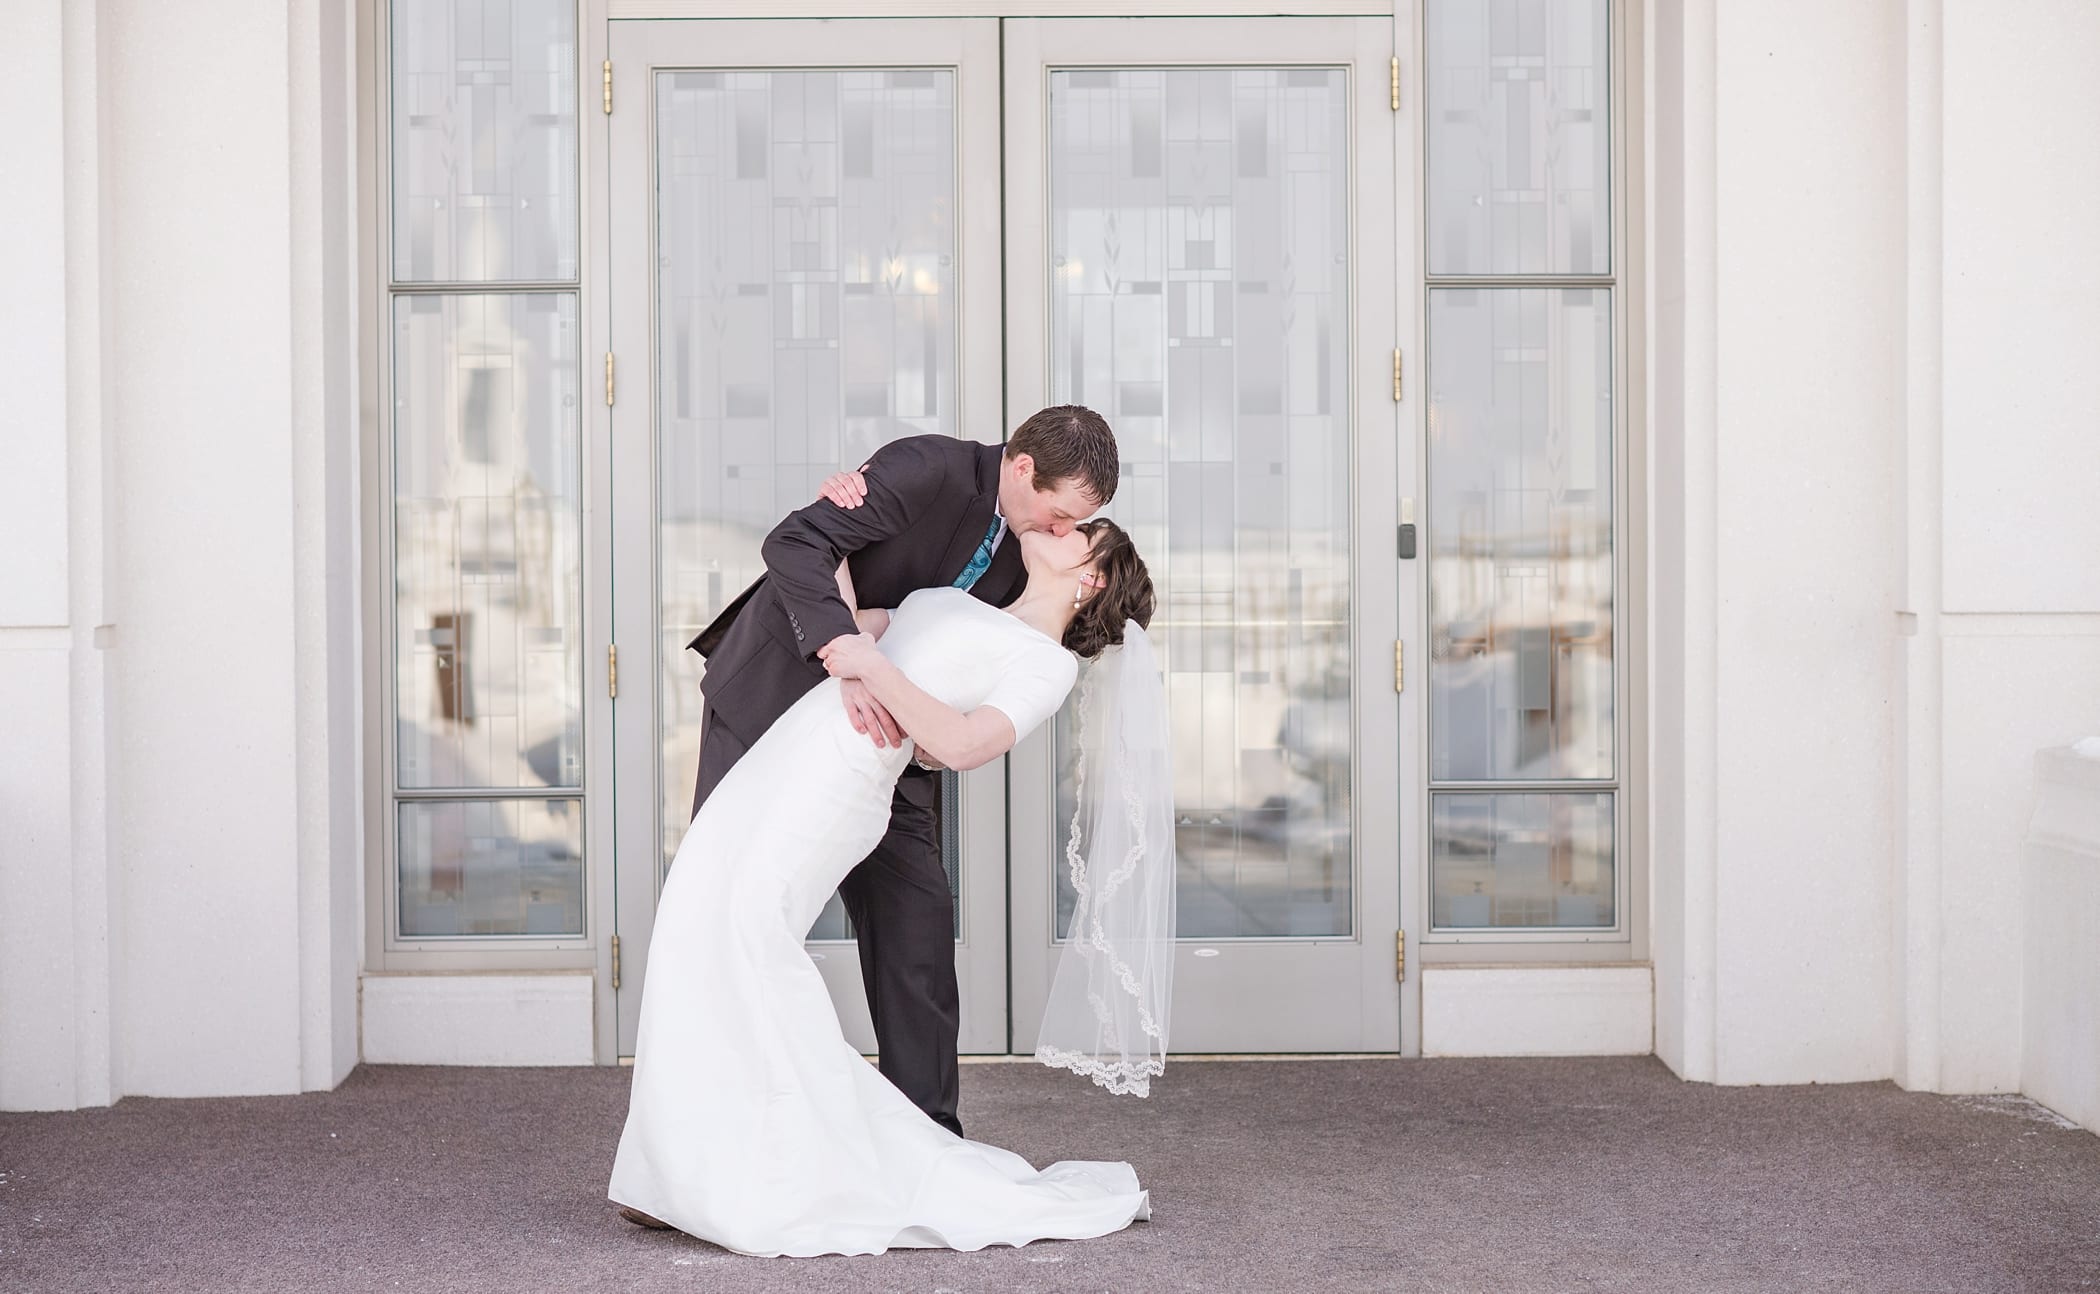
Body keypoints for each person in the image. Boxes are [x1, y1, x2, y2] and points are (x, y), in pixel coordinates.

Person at [608, 518, 1167, 1256]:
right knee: (693, 921)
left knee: (747, 938)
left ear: (1091, 578)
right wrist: (839, 529)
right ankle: (686, 1160)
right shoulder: (968, 601)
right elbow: (850, 629)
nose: (1060, 527)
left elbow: (964, 744)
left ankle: (770, 1162)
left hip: (839, 782)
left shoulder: (1047, 664)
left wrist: (876, 674)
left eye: (1079, 532)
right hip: (787, 750)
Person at [682, 407, 1118, 1138]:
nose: (1058, 530)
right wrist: (846, 657)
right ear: (1020, 470)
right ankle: (698, 1140)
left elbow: (975, 657)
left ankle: (927, 1140)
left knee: (917, 921)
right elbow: (796, 541)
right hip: (771, 700)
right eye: (1059, 511)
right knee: (724, 905)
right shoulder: (925, 468)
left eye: (1076, 523)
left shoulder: (1031, 557)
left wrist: (923, 726)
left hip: (889, 751)